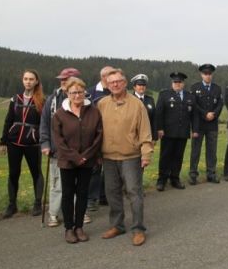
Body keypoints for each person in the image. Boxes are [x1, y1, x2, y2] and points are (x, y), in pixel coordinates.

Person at [97, 69, 153, 246]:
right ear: (107, 84)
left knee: (134, 192)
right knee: (112, 193)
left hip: (131, 156)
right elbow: (96, 131)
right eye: (111, 82)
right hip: (108, 156)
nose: (115, 84)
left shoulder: (137, 105)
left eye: (118, 81)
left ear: (125, 82)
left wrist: (146, 154)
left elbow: (145, 132)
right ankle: (117, 225)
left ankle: (138, 229)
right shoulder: (102, 104)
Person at [52, 77, 103, 244]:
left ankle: (79, 227)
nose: (77, 95)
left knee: (82, 194)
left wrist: (86, 156)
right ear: (67, 93)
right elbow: (58, 141)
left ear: (84, 92)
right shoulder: (60, 114)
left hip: (87, 161)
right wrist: (75, 157)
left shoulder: (94, 111)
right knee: (67, 194)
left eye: (80, 92)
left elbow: (99, 135)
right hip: (67, 161)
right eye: (73, 92)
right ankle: (68, 228)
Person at [40, 67, 82, 228]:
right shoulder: (52, 100)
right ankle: (54, 213)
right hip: (57, 151)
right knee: (57, 184)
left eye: (67, 79)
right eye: (62, 79)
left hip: (78, 152)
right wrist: (44, 144)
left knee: (77, 183)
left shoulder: (85, 100)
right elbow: (44, 123)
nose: (63, 82)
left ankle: (76, 212)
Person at [0, 70, 45, 218]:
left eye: (31, 79)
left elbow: (45, 123)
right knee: (13, 173)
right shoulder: (16, 99)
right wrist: (3, 141)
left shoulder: (42, 100)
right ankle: (12, 205)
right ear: (22, 81)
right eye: (25, 79)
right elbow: (8, 120)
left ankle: (38, 203)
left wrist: (43, 140)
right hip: (14, 142)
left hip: (33, 143)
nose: (28, 82)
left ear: (36, 81)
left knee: (36, 172)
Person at [155, 72, 193, 191]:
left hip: (183, 132)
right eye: (175, 82)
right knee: (165, 156)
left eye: (179, 82)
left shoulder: (189, 96)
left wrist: (194, 129)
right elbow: (159, 113)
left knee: (178, 157)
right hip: (168, 132)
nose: (177, 84)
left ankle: (175, 179)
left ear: (183, 84)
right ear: (172, 83)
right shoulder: (164, 94)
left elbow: (193, 115)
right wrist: (159, 128)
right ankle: (161, 180)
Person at [189, 64, 223, 184]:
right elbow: (194, 105)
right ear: (201, 75)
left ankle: (211, 173)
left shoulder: (217, 88)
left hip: (212, 124)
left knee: (212, 151)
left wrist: (213, 114)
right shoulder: (195, 88)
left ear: (212, 75)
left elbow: (220, 104)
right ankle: (193, 174)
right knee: (195, 151)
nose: (208, 76)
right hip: (199, 124)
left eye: (209, 74)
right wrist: (205, 114)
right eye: (205, 74)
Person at [87, 66, 114, 211]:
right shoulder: (90, 93)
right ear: (103, 77)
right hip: (95, 136)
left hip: (112, 136)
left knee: (110, 168)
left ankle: (105, 196)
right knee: (95, 168)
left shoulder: (115, 92)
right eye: (110, 75)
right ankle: (91, 198)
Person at [131, 74, 157, 144]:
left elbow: (154, 119)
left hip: (147, 136)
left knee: (147, 154)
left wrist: (154, 137)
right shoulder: (130, 100)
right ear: (134, 87)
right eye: (139, 85)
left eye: (143, 85)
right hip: (133, 136)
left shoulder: (150, 100)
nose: (142, 87)